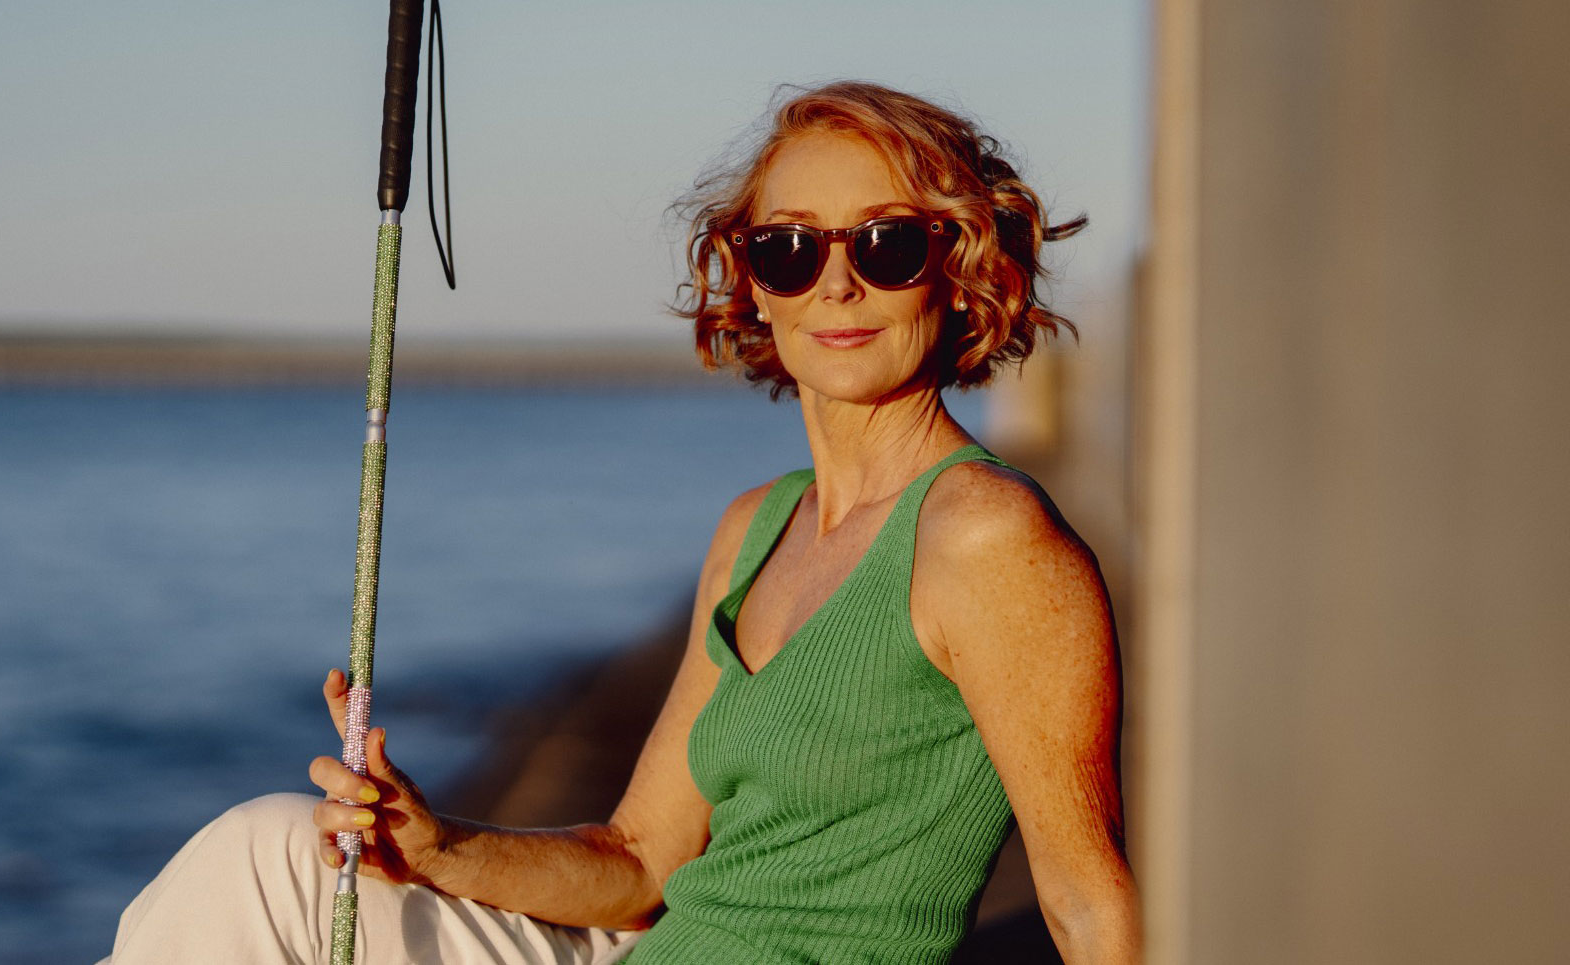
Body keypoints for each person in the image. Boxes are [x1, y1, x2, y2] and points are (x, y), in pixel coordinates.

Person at [103, 80, 1140, 965]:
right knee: (270, 847)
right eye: (787, 249)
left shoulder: (986, 534)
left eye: (887, 241)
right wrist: (434, 841)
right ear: (753, 286)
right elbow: (641, 862)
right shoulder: (758, 524)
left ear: (958, 267)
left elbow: (1088, 901)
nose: (836, 281)